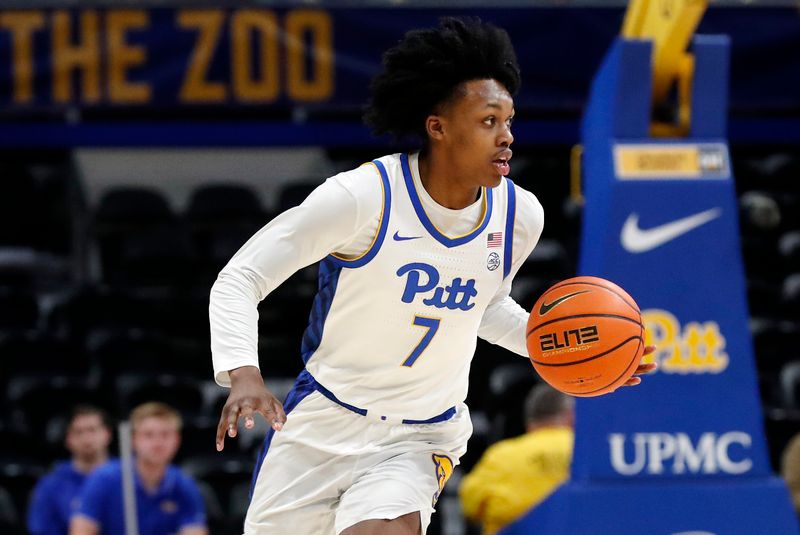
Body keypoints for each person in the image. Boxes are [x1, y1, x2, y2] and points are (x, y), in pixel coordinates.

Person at [209, 16, 657, 535]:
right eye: (488, 120)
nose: (507, 136)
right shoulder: (362, 197)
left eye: (509, 120)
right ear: (437, 126)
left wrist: (562, 345)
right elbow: (241, 277)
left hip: (421, 435)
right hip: (322, 423)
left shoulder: (519, 216)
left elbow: (480, 306)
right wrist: (244, 374)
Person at [70, 402, 207, 535]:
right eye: (148, 435)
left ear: (177, 440)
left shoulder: (185, 485)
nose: (157, 443)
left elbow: (195, 530)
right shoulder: (104, 478)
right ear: (134, 439)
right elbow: (81, 529)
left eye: (165, 434)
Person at [459, 384, 575, 534]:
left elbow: (469, 506)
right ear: (571, 415)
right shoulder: (587, 453)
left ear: (529, 418)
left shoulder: (502, 456)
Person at [27, 405, 112, 535]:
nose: (87, 438)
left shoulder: (126, 479)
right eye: (79, 432)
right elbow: (41, 529)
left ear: (107, 434)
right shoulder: (50, 485)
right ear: (68, 440)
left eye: (92, 430)